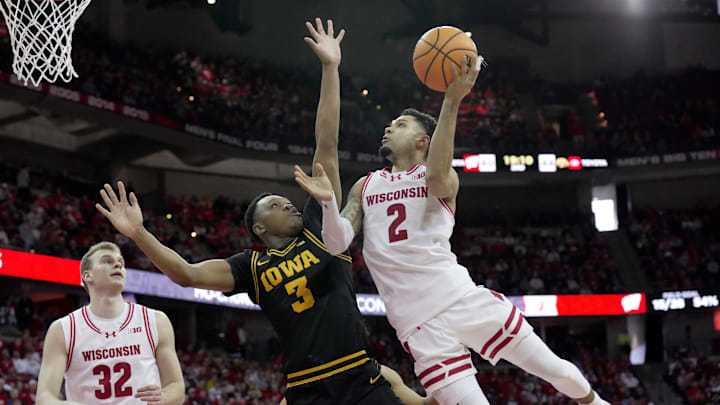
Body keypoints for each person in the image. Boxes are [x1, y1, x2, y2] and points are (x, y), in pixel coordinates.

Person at [97, 19, 403, 405]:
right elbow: (186, 275)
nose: (289, 202)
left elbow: (326, 142)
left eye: (286, 199)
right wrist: (139, 234)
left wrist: (330, 69)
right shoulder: (251, 268)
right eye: (276, 204)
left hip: (359, 376)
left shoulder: (318, 225)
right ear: (259, 227)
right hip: (307, 388)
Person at [295, 56, 610, 405]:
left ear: (422, 141)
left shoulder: (441, 177)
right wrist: (326, 204)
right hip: (418, 326)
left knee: (556, 370)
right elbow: (336, 242)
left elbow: (436, 177)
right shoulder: (364, 186)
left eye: (399, 124)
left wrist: (451, 99)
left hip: (461, 299)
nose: (388, 127)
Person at [36, 242, 185, 405]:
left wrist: (162, 399)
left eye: (120, 262)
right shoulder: (63, 329)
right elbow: (44, 397)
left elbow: (176, 387)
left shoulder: (155, 321)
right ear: (87, 276)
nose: (117, 264)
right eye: (107, 261)